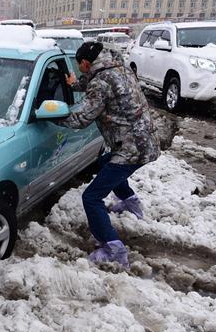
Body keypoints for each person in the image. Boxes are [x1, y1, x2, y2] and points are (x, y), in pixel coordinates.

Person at [60, 41, 159, 269]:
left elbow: (82, 118)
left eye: (79, 66)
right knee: (105, 162)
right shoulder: (118, 68)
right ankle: (130, 203)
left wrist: (50, 117)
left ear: (86, 63)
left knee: (91, 198)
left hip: (131, 148)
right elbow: (98, 85)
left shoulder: (101, 82)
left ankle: (113, 248)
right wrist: (76, 85)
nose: (79, 70)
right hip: (144, 141)